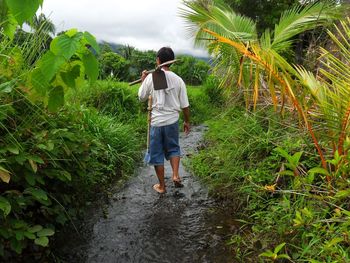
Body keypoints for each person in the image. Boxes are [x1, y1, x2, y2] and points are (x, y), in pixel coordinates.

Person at [138, 47, 190, 194]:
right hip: (172, 122)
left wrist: (143, 81)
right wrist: (187, 121)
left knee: (156, 155)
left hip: (156, 123)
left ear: (158, 60)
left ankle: (162, 186)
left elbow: (141, 97)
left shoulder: (150, 77)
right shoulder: (179, 80)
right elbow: (185, 106)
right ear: (171, 62)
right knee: (174, 148)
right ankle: (175, 175)